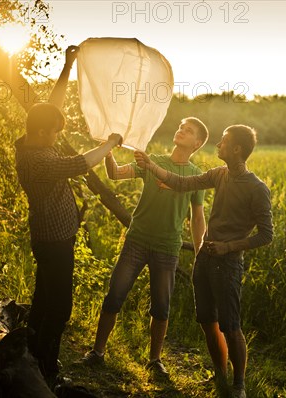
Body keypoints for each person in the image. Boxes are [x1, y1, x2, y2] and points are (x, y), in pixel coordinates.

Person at [135, 125, 273, 398]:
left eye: (224, 142)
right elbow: (182, 183)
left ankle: (239, 385)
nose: (218, 145)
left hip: (229, 265)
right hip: (205, 261)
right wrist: (151, 166)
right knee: (208, 322)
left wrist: (228, 247)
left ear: (236, 149)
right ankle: (219, 376)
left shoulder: (257, 188)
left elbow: (266, 235)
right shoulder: (219, 175)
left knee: (231, 327)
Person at [14, 45, 123, 386]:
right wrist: (110, 143)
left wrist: (67, 67)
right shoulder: (39, 160)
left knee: (44, 298)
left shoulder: (35, 139)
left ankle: (30, 352)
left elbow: (51, 107)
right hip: (53, 240)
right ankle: (46, 367)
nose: (59, 134)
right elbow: (79, 164)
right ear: (44, 132)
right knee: (60, 307)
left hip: (55, 235)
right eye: (56, 131)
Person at [81, 117, 209, 378]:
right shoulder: (152, 162)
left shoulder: (196, 176)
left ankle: (155, 360)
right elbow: (115, 174)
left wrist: (200, 253)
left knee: (161, 306)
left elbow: (197, 217)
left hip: (167, 248)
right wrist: (109, 149)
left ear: (197, 143)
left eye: (189, 131)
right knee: (114, 295)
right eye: (181, 126)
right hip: (136, 241)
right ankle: (97, 352)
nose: (181, 130)